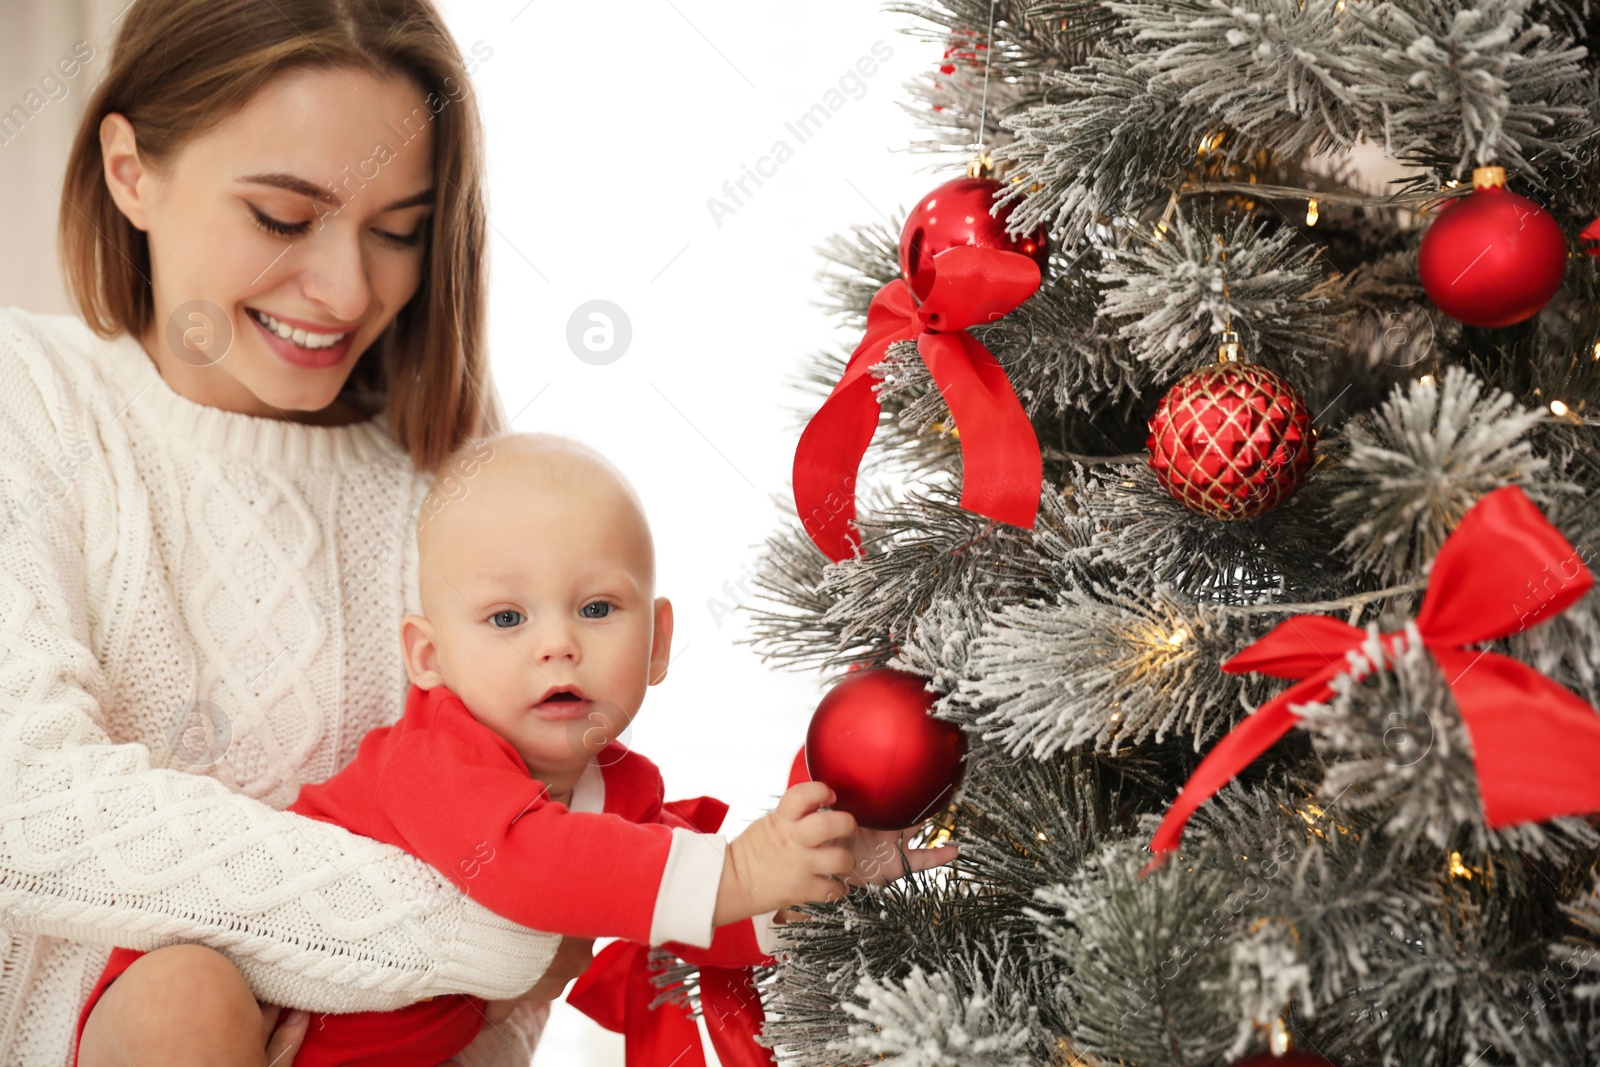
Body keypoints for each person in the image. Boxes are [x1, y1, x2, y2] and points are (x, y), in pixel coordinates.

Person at [1, 1, 573, 1063]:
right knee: (183, 995)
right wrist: (475, 927)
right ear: (131, 171)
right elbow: (25, 803)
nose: (351, 288)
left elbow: (538, 885)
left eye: (399, 230)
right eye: (281, 215)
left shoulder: (454, 496)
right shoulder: (29, 394)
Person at [75, 432, 958, 1066]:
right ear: (429, 657)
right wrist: (733, 871)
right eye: (506, 618)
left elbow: (700, 915)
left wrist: (822, 868)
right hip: (233, 988)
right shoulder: (434, 758)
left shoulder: (626, 801)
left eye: (597, 608)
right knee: (184, 1002)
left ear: (656, 643)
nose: (557, 645)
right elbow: (529, 863)